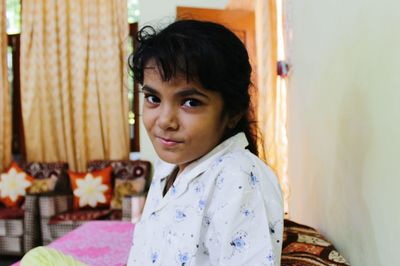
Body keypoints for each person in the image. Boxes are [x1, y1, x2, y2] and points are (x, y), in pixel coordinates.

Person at [127, 19, 284, 266]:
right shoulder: (168, 166)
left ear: (232, 112)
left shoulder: (237, 178)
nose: (165, 120)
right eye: (153, 98)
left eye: (190, 102)